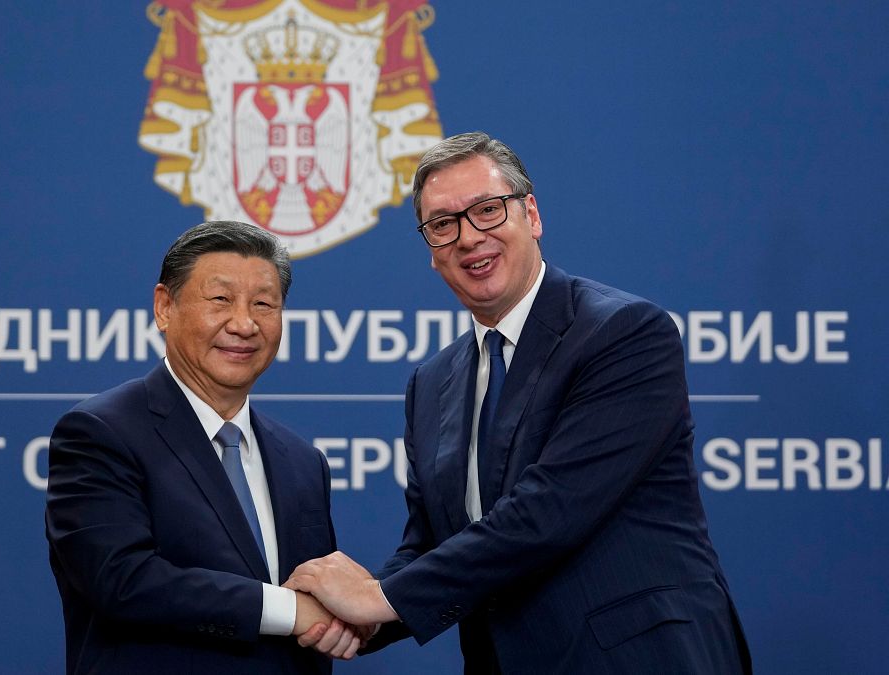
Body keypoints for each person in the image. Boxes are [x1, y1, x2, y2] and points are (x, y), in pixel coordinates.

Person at [287, 133, 752, 673]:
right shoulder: (431, 383)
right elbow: (433, 544)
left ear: (530, 214)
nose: (468, 237)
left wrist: (378, 598)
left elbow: (547, 512)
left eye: (487, 210)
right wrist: (365, 620)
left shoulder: (623, 333)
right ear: (431, 252)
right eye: (443, 224)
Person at [46, 220, 361, 674]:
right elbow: (122, 580)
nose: (244, 323)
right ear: (164, 307)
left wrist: (356, 611)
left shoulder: (302, 461)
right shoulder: (101, 432)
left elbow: (320, 612)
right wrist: (290, 611)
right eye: (220, 300)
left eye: (264, 304)